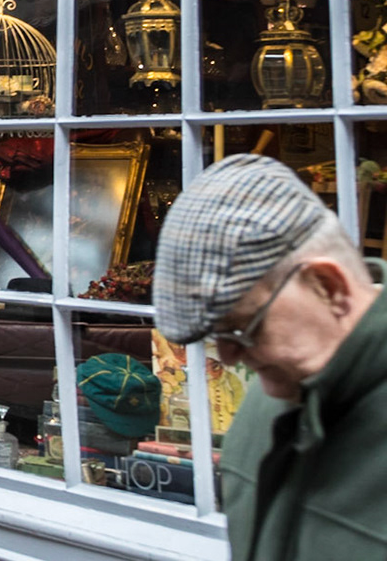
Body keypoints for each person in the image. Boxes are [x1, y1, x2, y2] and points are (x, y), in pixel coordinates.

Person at [154, 154, 387, 559]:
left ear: (327, 286)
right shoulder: (267, 404)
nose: (228, 356)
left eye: (244, 327)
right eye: (218, 336)